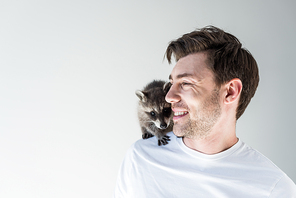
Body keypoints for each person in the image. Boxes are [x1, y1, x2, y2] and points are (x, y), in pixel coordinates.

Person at [113, 26, 296, 197]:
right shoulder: (140, 158)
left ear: (230, 92)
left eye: (185, 83)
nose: (169, 97)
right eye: (171, 84)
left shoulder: (273, 189)